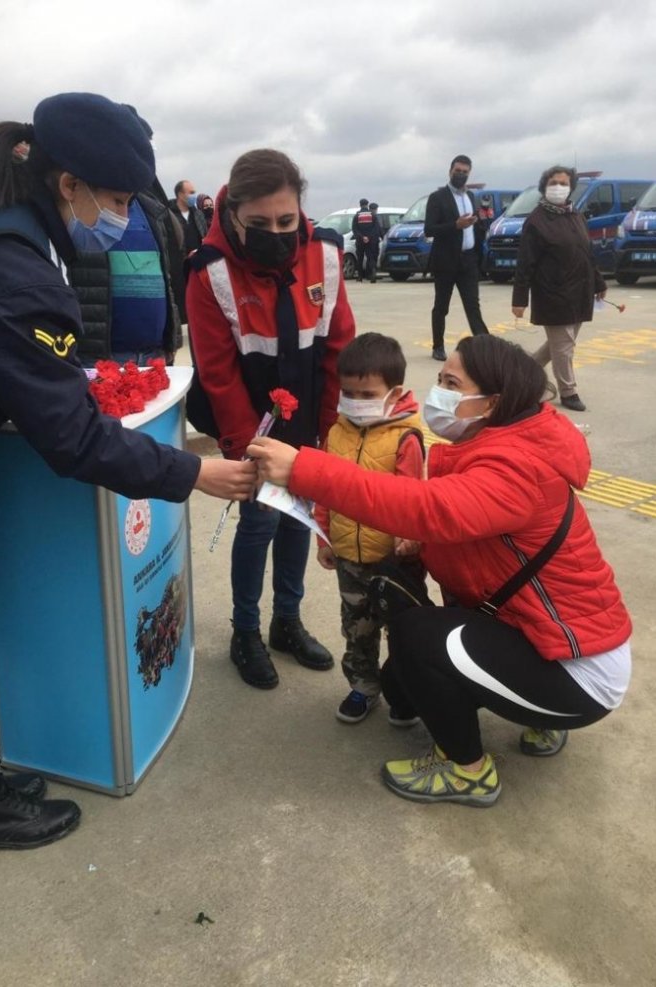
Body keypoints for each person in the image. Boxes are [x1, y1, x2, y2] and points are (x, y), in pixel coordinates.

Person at [0, 92, 256, 855]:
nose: (123, 217)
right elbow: (71, 438)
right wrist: (193, 473)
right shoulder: (5, 267)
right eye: (118, 198)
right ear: (65, 184)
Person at [248, 334, 632, 807]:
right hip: (544, 639)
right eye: (439, 379)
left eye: (452, 383)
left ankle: (469, 770)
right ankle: (536, 712)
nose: (437, 393)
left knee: (417, 636)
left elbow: (426, 509)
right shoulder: (496, 443)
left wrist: (306, 470)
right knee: (401, 683)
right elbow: (460, 537)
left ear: (492, 402)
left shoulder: (515, 469)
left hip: (580, 674)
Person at [186, 148, 356, 689]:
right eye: (258, 224)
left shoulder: (326, 254)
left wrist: (328, 436)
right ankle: (246, 631)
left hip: (308, 422)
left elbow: (338, 349)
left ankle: (288, 620)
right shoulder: (207, 272)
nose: (276, 233)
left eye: (286, 221)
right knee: (258, 523)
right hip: (253, 425)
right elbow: (217, 373)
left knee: (298, 522)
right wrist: (246, 452)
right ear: (232, 213)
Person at [312, 333, 425, 723]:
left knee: (401, 630)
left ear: (394, 393)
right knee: (357, 627)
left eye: (367, 394)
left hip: (394, 561)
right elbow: (324, 489)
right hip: (348, 556)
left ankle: (405, 690)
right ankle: (363, 686)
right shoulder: (336, 433)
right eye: (349, 393)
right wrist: (323, 536)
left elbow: (412, 498)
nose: (356, 403)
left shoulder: (405, 438)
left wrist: (409, 538)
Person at [69, 111, 186, 366]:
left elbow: (167, 278)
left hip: (153, 358)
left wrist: (171, 340)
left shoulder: (154, 211)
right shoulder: (81, 208)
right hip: (98, 361)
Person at [512, 165, 606, 413]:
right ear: (544, 185)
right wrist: (519, 298)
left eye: (564, 183)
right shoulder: (536, 220)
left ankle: (518, 373)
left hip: (580, 291)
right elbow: (525, 263)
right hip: (552, 293)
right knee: (563, 347)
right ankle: (568, 391)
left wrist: (599, 282)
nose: (559, 187)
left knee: (561, 343)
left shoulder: (575, 215)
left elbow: (587, 253)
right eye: (554, 182)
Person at [424, 155, 489, 361]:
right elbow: (429, 229)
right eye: (457, 171)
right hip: (446, 261)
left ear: (469, 173)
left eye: (464, 172)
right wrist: (455, 225)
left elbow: (472, 226)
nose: (460, 174)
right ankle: (438, 346)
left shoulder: (470, 197)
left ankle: (485, 346)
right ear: (450, 171)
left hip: (468, 260)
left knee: (473, 305)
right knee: (441, 306)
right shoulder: (437, 197)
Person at [169, 179, 208, 254]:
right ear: (180, 194)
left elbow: (206, 236)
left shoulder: (198, 214)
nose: (194, 196)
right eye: (191, 193)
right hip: (180, 263)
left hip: (198, 260)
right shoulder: (169, 216)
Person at [351, 198, 381, 282]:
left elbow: (354, 229)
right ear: (367, 205)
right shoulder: (372, 215)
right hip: (371, 241)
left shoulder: (357, 216)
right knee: (371, 258)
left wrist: (362, 237)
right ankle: (373, 275)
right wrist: (369, 237)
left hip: (360, 241)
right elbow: (375, 229)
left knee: (360, 258)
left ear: (360, 205)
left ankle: (360, 277)